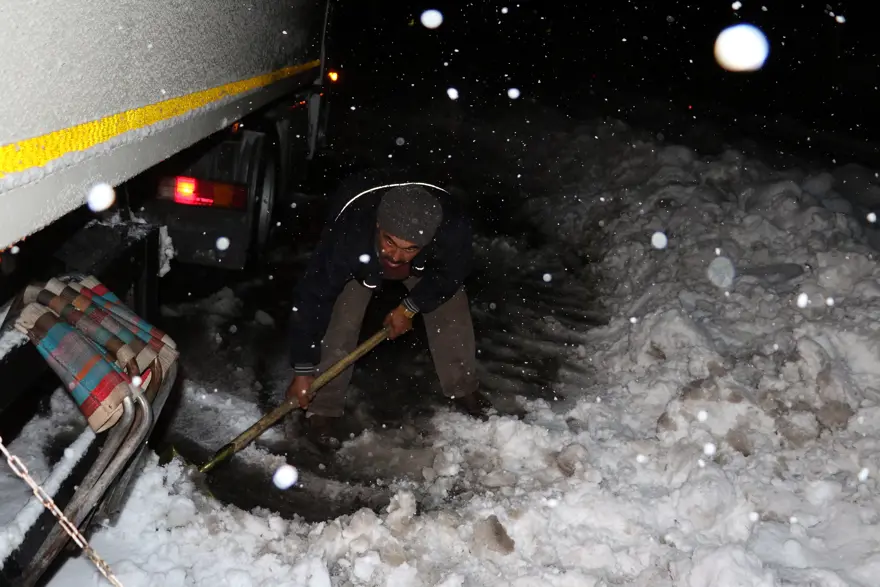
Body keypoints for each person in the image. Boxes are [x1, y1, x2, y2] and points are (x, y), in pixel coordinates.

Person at [285, 173, 490, 442]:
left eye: (409, 248)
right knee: (343, 317)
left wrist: (410, 306)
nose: (395, 255)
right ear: (379, 226)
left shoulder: (451, 230)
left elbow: (451, 274)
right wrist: (302, 369)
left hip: (426, 257)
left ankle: (464, 388)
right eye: (390, 241)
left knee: (450, 303)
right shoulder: (350, 234)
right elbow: (312, 298)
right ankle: (322, 407)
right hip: (362, 253)